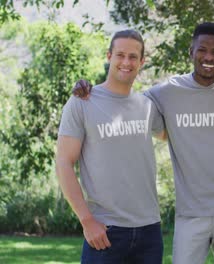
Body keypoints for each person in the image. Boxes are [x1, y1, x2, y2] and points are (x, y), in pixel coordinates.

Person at [73, 22, 214, 264]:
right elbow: (123, 102)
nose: (208, 57)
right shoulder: (164, 93)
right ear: (191, 52)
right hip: (190, 212)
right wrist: (87, 89)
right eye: (202, 50)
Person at [55, 29, 165, 263]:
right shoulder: (82, 102)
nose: (126, 62)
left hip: (149, 231)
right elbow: (64, 162)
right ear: (109, 56)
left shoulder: (147, 105)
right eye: (120, 55)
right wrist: (86, 221)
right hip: (105, 231)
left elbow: (179, 135)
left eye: (133, 57)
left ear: (142, 61)